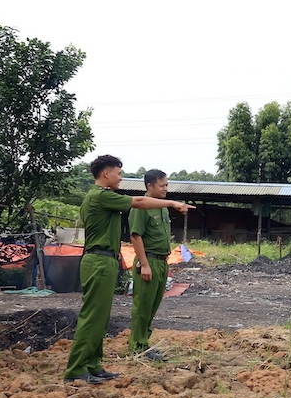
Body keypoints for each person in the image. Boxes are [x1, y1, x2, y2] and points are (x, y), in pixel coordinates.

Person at [63, 156, 194, 384]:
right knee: (92, 316)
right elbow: (140, 203)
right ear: (106, 174)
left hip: (107, 260)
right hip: (99, 260)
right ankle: (76, 369)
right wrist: (172, 203)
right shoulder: (100, 196)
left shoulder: (106, 198)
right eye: (118, 173)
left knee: (101, 318)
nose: (121, 178)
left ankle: (93, 365)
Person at [129, 169, 173, 361]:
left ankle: (144, 343)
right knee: (143, 306)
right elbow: (135, 235)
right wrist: (144, 265)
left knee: (152, 306)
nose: (165, 189)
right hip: (149, 261)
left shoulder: (162, 207)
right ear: (149, 186)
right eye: (162, 185)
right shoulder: (141, 207)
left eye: (166, 185)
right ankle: (137, 347)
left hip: (162, 262)